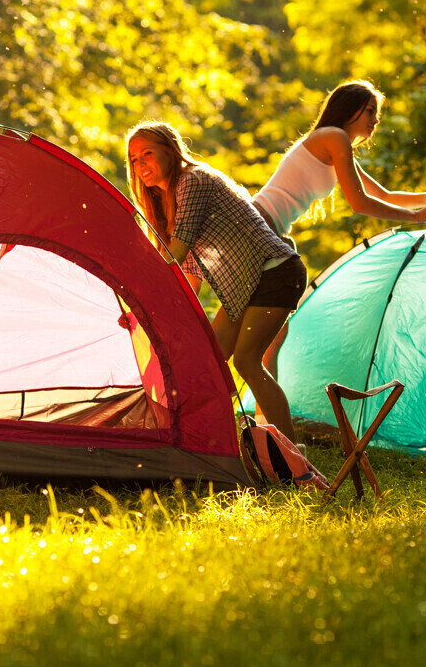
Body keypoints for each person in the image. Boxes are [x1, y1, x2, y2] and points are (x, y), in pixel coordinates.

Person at [252, 80, 426, 376]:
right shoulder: (333, 137)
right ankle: (248, 411)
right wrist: (419, 218)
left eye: (377, 113)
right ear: (350, 108)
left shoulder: (334, 143)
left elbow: (381, 195)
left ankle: (261, 417)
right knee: (265, 331)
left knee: (272, 333)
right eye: (370, 110)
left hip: (269, 229)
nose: (376, 119)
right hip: (261, 224)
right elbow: (360, 203)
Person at [127, 122, 306, 442]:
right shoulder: (170, 202)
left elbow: (176, 255)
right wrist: (151, 318)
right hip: (249, 286)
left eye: (148, 154)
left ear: (170, 150)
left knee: (247, 361)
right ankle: (197, 440)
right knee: (209, 359)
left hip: (275, 272)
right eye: (134, 159)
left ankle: (292, 455)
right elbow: (188, 283)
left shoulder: (191, 182)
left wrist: (138, 298)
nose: (141, 165)